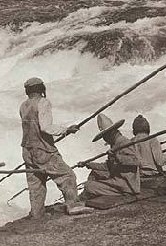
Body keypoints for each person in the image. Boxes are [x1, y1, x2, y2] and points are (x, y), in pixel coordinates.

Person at [19, 77, 91, 218]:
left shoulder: (23, 105)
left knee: (36, 184)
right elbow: (46, 127)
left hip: (27, 150)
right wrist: (66, 130)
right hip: (43, 150)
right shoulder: (43, 102)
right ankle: (73, 206)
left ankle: (37, 213)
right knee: (67, 176)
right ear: (42, 89)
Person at [79, 114, 142, 201]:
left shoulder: (123, 142)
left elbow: (136, 161)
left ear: (110, 133)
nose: (104, 139)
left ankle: (83, 200)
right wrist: (88, 164)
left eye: (104, 136)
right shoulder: (115, 144)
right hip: (119, 181)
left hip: (127, 185)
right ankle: (85, 198)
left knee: (89, 186)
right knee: (94, 174)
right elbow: (108, 166)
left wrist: (116, 156)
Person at [131, 114, 166, 193]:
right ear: (148, 128)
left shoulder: (131, 142)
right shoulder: (152, 140)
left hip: (138, 179)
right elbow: (160, 161)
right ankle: (160, 188)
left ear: (134, 130)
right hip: (152, 178)